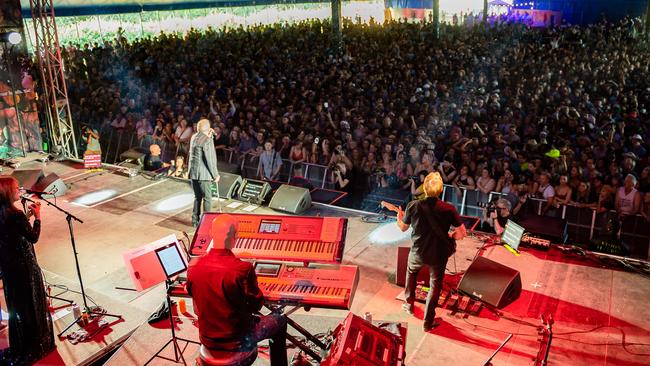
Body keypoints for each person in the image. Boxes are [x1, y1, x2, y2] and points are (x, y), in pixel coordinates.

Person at [186, 214, 287, 364]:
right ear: (235, 237)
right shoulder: (243, 269)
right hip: (237, 342)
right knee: (280, 320)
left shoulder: (194, 266)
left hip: (208, 339)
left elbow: (192, 292)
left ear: (211, 233)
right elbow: (256, 305)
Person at [395, 172, 466, 331]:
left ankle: (409, 305)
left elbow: (402, 228)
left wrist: (398, 219)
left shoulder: (413, 206)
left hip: (418, 252)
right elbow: (462, 233)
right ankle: (428, 322)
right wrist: (451, 235)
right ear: (440, 191)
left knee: (411, 273)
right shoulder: (449, 209)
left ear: (424, 189)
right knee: (435, 285)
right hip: (438, 255)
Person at [0, 176, 55, 364]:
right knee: (30, 304)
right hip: (24, 266)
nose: (19, 190)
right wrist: (38, 217)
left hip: (8, 266)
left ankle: (21, 343)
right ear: (8, 192)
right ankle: (35, 344)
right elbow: (33, 237)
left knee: (18, 306)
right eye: (16, 188)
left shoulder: (3, 213)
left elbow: (12, 231)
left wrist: (27, 218)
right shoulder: (15, 215)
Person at [189, 119, 220, 227]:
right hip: (204, 174)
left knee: (197, 197)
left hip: (193, 173)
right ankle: (206, 222)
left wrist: (209, 135)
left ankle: (195, 220)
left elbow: (202, 140)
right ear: (208, 128)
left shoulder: (194, 137)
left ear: (198, 128)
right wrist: (215, 174)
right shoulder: (207, 140)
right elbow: (209, 159)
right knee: (207, 198)